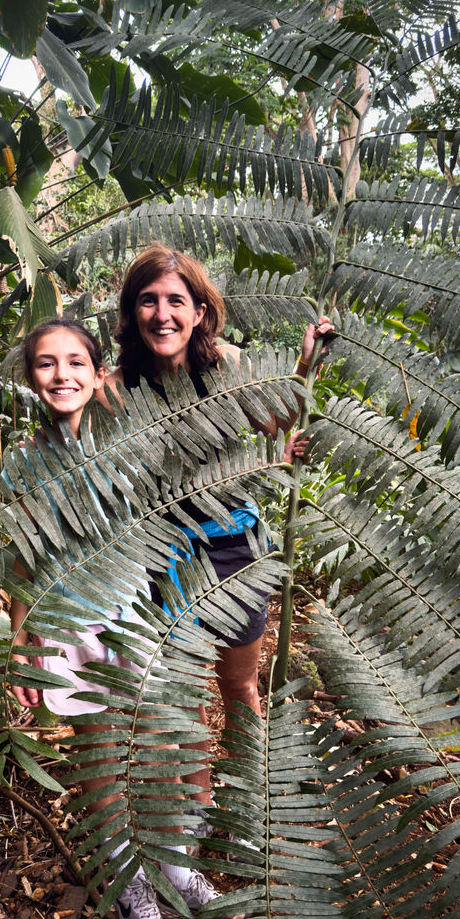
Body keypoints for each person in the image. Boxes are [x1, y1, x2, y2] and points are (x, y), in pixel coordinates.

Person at [102, 245, 334, 844]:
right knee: (179, 690)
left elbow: (277, 421)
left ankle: (251, 806)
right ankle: (201, 807)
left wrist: (304, 367)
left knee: (238, 685)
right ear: (132, 313)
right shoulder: (118, 385)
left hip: (236, 552)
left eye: (175, 300)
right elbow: (74, 434)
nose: (162, 314)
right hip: (168, 557)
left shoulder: (228, 363)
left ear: (200, 311)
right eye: (148, 301)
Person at [7, 317, 222, 919]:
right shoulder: (24, 465)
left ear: (97, 372)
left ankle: (174, 863)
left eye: (76, 362)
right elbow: (24, 559)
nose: (61, 375)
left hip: (134, 614)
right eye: (46, 364)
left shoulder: (128, 439)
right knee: (103, 754)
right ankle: (131, 881)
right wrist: (21, 644)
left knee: (158, 743)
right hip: (70, 626)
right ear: (31, 378)